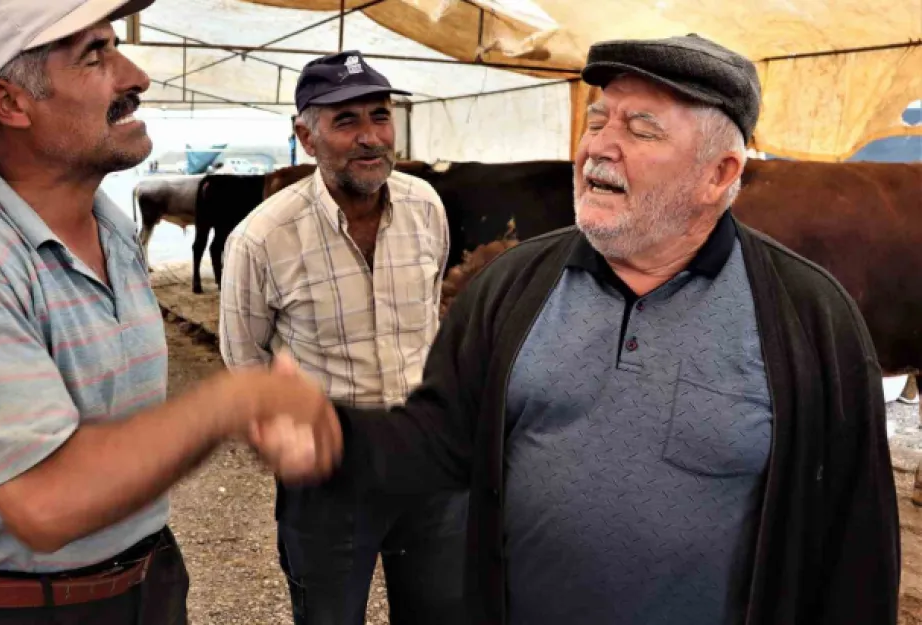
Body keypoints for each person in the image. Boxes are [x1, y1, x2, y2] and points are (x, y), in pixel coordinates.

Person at [322, 34, 900, 625]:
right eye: (597, 120)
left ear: (718, 172)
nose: (599, 146)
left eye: (641, 130)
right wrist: (333, 437)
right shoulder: (511, 286)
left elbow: (858, 546)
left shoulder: (809, 317)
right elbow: (440, 440)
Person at [0, 1, 340, 623]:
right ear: (10, 103)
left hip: (145, 582)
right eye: (95, 55)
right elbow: (44, 502)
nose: (136, 77)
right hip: (15, 610)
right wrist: (232, 402)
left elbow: (120, 430)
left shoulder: (112, 228)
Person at [219, 51, 467, 625]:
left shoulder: (425, 206)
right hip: (330, 463)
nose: (370, 137)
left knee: (444, 609)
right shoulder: (263, 237)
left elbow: (429, 319)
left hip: (427, 452)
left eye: (379, 116)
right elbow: (244, 362)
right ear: (306, 136)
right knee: (328, 614)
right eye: (345, 121)